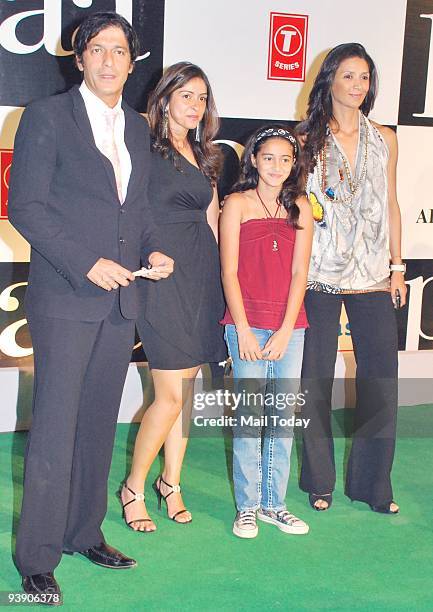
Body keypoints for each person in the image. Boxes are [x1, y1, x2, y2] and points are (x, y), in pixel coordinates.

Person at [8, 12, 173, 601]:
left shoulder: (136, 126)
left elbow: (142, 209)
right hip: (67, 298)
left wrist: (155, 249)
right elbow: (26, 206)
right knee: (54, 430)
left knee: (99, 424)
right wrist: (85, 262)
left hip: (121, 302)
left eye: (119, 50)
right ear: (78, 59)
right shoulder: (46, 117)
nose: (108, 60)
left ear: (133, 62)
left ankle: (84, 531)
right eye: (96, 49)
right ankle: (37, 556)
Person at [297, 43, 406, 514]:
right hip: (318, 277)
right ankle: (317, 481)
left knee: (381, 382)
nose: (357, 86)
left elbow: (393, 202)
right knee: (314, 382)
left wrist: (398, 267)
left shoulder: (385, 137)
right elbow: (298, 210)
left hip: (374, 278)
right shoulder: (305, 139)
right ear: (329, 81)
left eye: (364, 77)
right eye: (348, 76)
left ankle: (373, 486)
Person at [119, 62, 226, 531]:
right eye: (186, 95)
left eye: (202, 98)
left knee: (186, 389)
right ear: (164, 98)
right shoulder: (140, 143)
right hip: (160, 272)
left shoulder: (205, 153)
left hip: (202, 271)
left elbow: (215, 219)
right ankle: (133, 488)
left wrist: (226, 279)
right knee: (168, 393)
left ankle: (172, 482)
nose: (195, 106)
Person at [219, 125, 313, 538]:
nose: (277, 166)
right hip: (245, 325)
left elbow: (300, 274)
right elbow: (228, 271)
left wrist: (285, 328)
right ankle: (248, 507)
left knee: (283, 419)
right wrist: (242, 329)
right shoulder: (237, 203)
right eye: (269, 157)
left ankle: (276, 505)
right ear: (254, 159)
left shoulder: (302, 207)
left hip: (290, 328)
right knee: (250, 416)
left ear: (294, 166)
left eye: (286, 159)